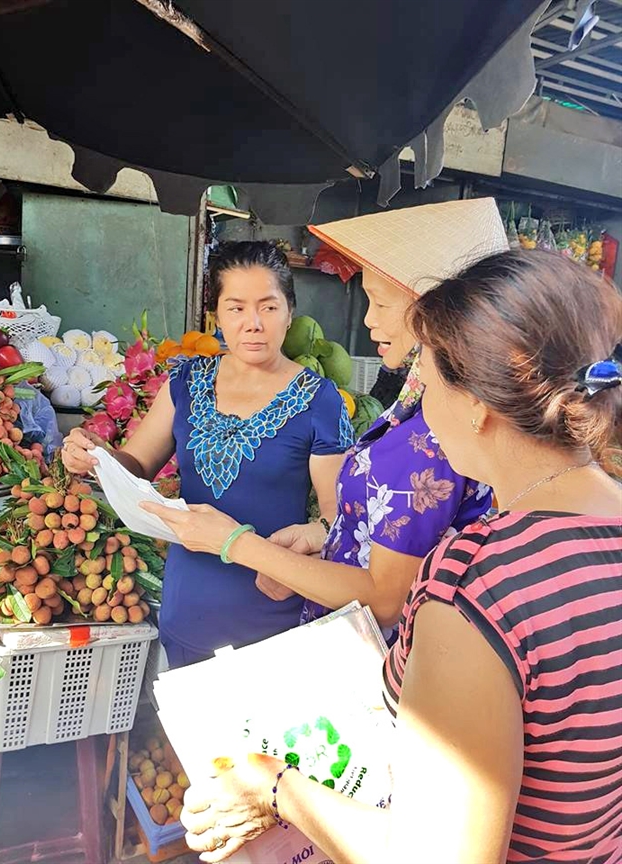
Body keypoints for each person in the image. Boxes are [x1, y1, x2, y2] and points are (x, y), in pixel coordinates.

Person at [176, 249, 622, 864]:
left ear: (476, 401)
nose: (419, 405)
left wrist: (272, 787)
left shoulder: (475, 584)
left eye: (430, 377)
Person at [142, 198, 508, 635]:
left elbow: (386, 598)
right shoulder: (419, 411)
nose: (368, 319)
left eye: (381, 302)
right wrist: (321, 535)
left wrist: (236, 543)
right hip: (221, 607)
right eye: (236, 307)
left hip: (377, 642)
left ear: (436, 315)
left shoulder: (438, 433)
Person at [61, 241, 351, 666]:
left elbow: (338, 520)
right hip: (188, 608)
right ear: (216, 315)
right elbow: (137, 463)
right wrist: (98, 459)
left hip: (274, 620)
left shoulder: (319, 400)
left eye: (268, 307)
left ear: (290, 312)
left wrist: (313, 541)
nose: (253, 324)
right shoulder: (187, 382)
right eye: (236, 308)